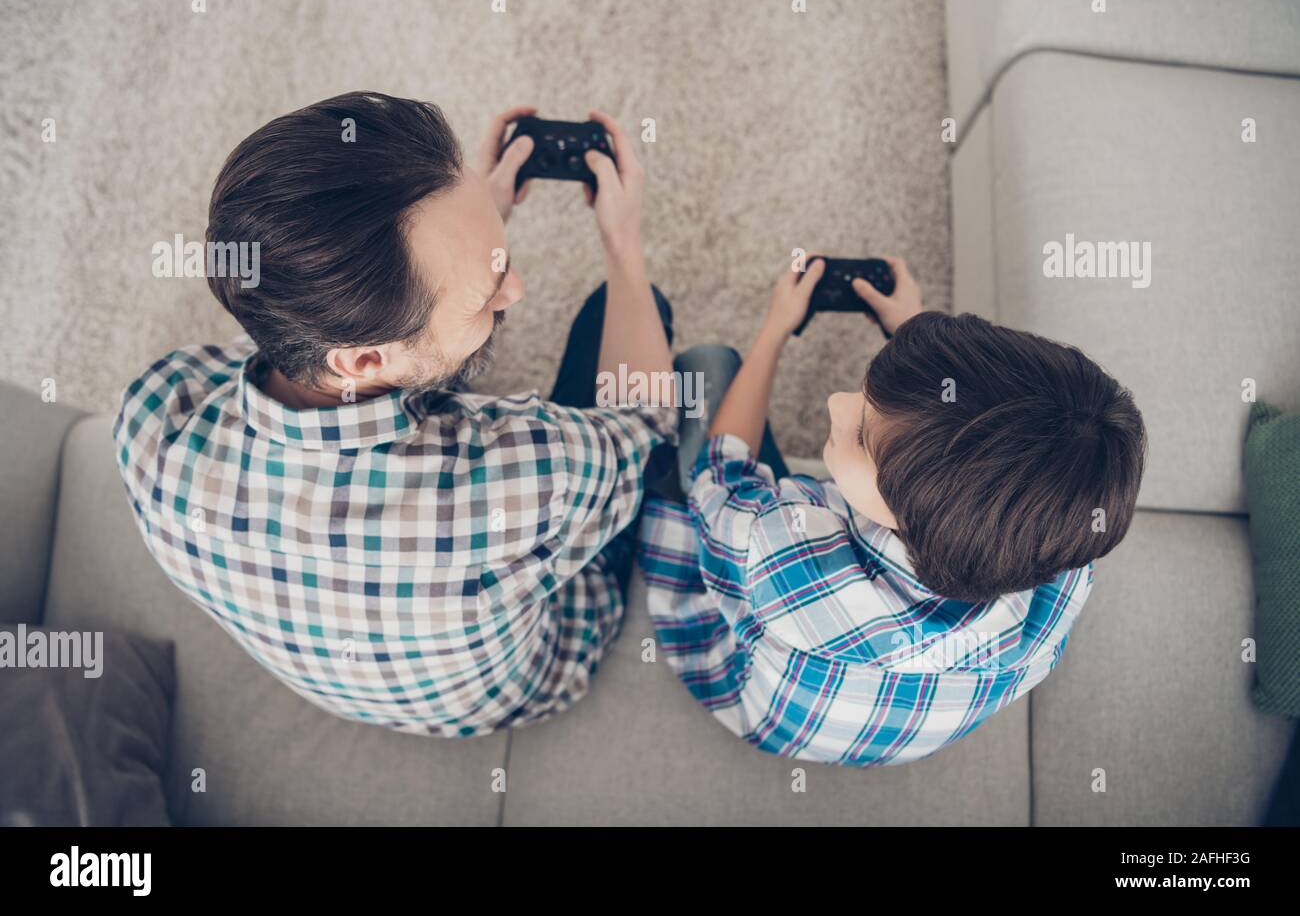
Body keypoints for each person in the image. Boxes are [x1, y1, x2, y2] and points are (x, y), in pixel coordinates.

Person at [114, 92, 674, 736]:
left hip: (341, 684)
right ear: (363, 362)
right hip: (528, 684)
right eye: (487, 294)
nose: (514, 289)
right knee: (633, 307)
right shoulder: (533, 471)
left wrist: (468, 220)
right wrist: (622, 242)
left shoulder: (154, 415)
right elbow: (650, 426)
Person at [638, 256, 1147, 765]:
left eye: (859, 436)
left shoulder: (775, 547)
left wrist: (774, 329)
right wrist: (921, 342)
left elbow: (721, 472)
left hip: (754, 705)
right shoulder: (1063, 544)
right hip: (882, 735)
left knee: (710, 364)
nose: (837, 402)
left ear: (917, 516)